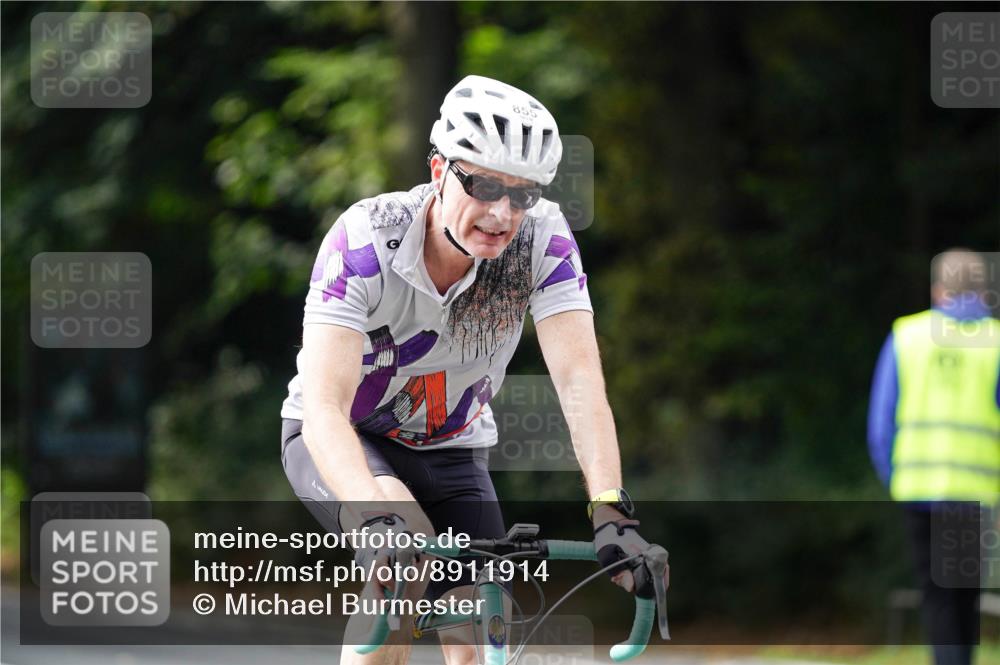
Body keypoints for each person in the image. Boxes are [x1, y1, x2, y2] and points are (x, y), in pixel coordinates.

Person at [280, 75, 653, 665]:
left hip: (453, 451)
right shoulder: (365, 240)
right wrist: (376, 521)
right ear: (437, 172)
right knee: (403, 576)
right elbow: (325, 405)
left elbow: (579, 382)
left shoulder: (542, 240)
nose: (503, 213)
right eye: (482, 185)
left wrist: (611, 508)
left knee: (483, 628)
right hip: (347, 438)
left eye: (523, 195)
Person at [868, 248, 1000, 665]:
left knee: (938, 598)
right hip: (977, 492)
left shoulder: (906, 335)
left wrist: (896, 477)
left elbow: (880, 426)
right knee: (966, 597)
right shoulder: (996, 342)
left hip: (920, 492)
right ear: (982, 290)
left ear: (938, 289)